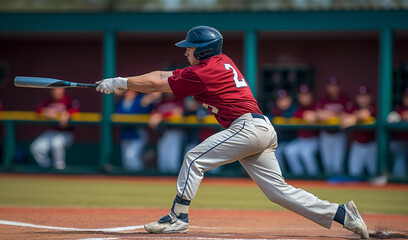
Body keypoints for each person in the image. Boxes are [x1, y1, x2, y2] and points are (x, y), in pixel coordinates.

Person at [95, 26, 369, 239]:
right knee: (278, 193)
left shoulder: (203, 72)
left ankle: (178, 218)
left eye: (190, 48)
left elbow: (158, 83)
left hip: (247, 127)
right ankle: (342, 214)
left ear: (202, 51)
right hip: (258, 128)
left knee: (193, 158)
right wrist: (122, 82)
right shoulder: (217, 62)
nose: (186, 52)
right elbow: (164, 75)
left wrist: (119, 82)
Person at [30, 88, 79, 170]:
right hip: (52, 132)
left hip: (66, 133)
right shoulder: (48, 100)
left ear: (63, 90)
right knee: (35, 148)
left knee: (57, 143)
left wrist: (67, 114)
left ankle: (59, 168)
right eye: (54, 90)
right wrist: (46, 111)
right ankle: (47, 167)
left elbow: (76, 110)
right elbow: (37, 110)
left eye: (58, 90)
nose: (55, 92)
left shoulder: (68, 100)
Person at [115, 90, 159, 171]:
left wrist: (147, 100)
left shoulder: (140, 100)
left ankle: (139, 176)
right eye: (126, 91)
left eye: (130, 91)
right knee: (126, 157)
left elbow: (144, 111)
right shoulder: (121, 102)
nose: (128, 93)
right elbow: (117, 113)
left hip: (138, 132)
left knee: (131, 155)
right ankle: (130, 179)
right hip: (125, 133)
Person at [316, 76, 351, 176]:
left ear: (339, 87)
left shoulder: (345, 99)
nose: (333, 88)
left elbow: (348, 115)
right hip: (326, 134)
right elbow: (318, 114)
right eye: (331, 86)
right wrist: (336, 114)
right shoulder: (324, 99)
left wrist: (329, 114)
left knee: (337, 166)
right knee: (327, 165)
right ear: (327, 87)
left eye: (335, 86)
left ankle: (339, 187)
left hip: (339, 133)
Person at [340, 86, 377, 178]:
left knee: (374, 173)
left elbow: (366, 114)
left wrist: (354, 118)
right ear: (357, 97)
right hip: (357, 145)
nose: (363, 99)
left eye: (365, 96)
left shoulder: (373, 107)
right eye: (361, 96)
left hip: (371, 145)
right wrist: (355, 117)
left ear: (370, 97)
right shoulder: (353, 106)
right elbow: (343, 118)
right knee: (354, 173)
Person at [284, 85, 320, 176]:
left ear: (311, 95)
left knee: (306, 153)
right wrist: (305, 114)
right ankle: (298, 176)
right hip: (301, 140)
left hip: (314, 139)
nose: (304, 98)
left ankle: (314, 176)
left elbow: (317, 115)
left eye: (306, 95)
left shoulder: (316, 105)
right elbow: (295, 115)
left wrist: (316, 115)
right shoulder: (297, 107)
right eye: (302, 95)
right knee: (289, 150)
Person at [148, 92, 184, 173]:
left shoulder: (178, 100)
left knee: (172, 160)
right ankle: (162, 180)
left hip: (176, 131)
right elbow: (154, 114)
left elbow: (178, 113)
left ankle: (172, 178)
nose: (169, 93)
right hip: (163, 132)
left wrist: (161, 116)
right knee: (163, 160)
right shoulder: (161, 101)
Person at [270, 89, 297, 174]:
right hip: (282, 142)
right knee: (275, 151)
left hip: (295, 140)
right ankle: (281, 175)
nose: (283, 102)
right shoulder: (275, 111)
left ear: (290, 100)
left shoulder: (295, 110)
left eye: (285, 99)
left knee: (290, 151)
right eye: (280, 100)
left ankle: (299, 175)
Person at [387, 87, 408, 178]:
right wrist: (404, 115)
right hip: (400, 144)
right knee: (400, 169)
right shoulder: (398, 109)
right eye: (407, 97)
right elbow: (390, 118)